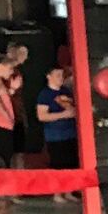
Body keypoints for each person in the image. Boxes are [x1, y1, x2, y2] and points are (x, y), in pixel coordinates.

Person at [35, 67, 78, 203]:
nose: (60, 77)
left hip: (70, 133)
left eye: (62, 75)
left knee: (71, 164)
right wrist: (63, 115)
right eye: (57, 75)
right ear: (49, 76)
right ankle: (57, 193)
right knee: (58, 165)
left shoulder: (66, 92)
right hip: (55, 135)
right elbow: (42, 116)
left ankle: (69, 191)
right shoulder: (44, 94)